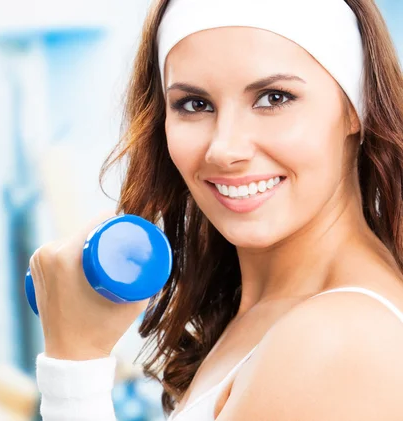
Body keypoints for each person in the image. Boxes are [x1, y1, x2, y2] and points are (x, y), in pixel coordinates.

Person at [29, 0, 403, 419]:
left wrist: (75, 370)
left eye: (273, 98)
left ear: (356, 107)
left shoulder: (338, 339)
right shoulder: (267, 313)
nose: (224, 149)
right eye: (194, 105)